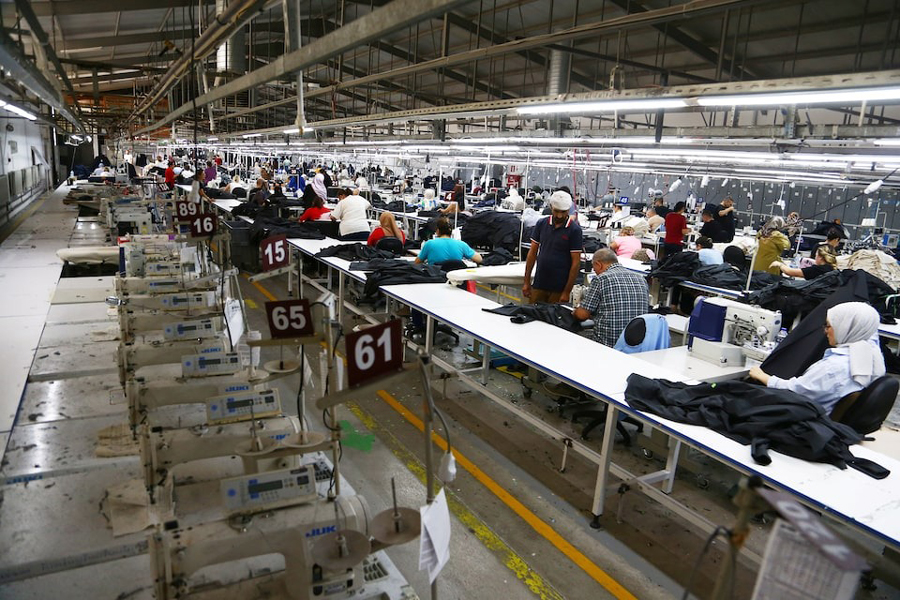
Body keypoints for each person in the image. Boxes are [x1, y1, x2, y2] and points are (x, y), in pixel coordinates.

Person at [747, 302, 885, 413]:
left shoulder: (833, 368)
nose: (825, 331)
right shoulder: (872, 355)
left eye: (829, 326)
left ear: (846, 327)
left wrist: (763, 376)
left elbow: (794, 391)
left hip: (802, 418)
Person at [573, 249, 649, 348]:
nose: (595, 272)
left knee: (573, 337)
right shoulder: (641, 278)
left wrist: (575, 312)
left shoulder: (601, 279)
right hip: (637, 343)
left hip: (609, 343)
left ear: (598, 264)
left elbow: (582, 315)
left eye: (594, 268)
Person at [523, 190, 583, 304]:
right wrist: (526, 282)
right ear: (551, 207)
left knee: (553, 319)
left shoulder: (574, 230)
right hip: (540, 282)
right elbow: (532, 253)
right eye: (556, 211)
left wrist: (566, 292)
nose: (560, 215)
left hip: (560, 287)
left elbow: (576, 263)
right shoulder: (541, 224)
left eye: (563, 212)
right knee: (533, 315)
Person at [415, 218, 482, 265]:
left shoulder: (429, 244)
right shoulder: (461, 245)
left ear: (437, 231)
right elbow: (479, 259)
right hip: (454, 280)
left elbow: (417, 262)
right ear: (452, 231)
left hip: (435, 279)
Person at [771, 247, 837, 280]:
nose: (815, 257)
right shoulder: (831, 268)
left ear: (820, 258)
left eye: (816, 255)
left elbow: (789, 272)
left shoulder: (817, 269)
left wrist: (780, 264)